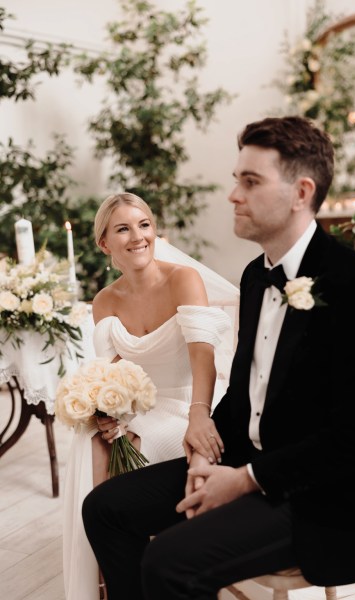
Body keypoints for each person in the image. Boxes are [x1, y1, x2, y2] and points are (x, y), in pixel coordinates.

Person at [82, 116, 355, 600]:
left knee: (169, 561)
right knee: (103, 508)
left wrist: (246, 480)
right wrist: (204, 448)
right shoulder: (255, 277)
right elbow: (247, 398)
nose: (233, 194)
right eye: (236, 179)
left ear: (301, 192)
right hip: (245, 459)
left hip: (324, 495)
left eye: (250, 182)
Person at [62, 192, 238, 600]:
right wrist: (106, 412)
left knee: (134, 445)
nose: (137, 236)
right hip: (143, 405)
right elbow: (112, 374)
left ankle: (144, 571)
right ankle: (109, 575)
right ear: (105, 244)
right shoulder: (105, 300)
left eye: (144, 225)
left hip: (192, 399)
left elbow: (203, 357)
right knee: (90, 443)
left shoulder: (182, 280)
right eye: (123, 228)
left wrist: (200, 413)